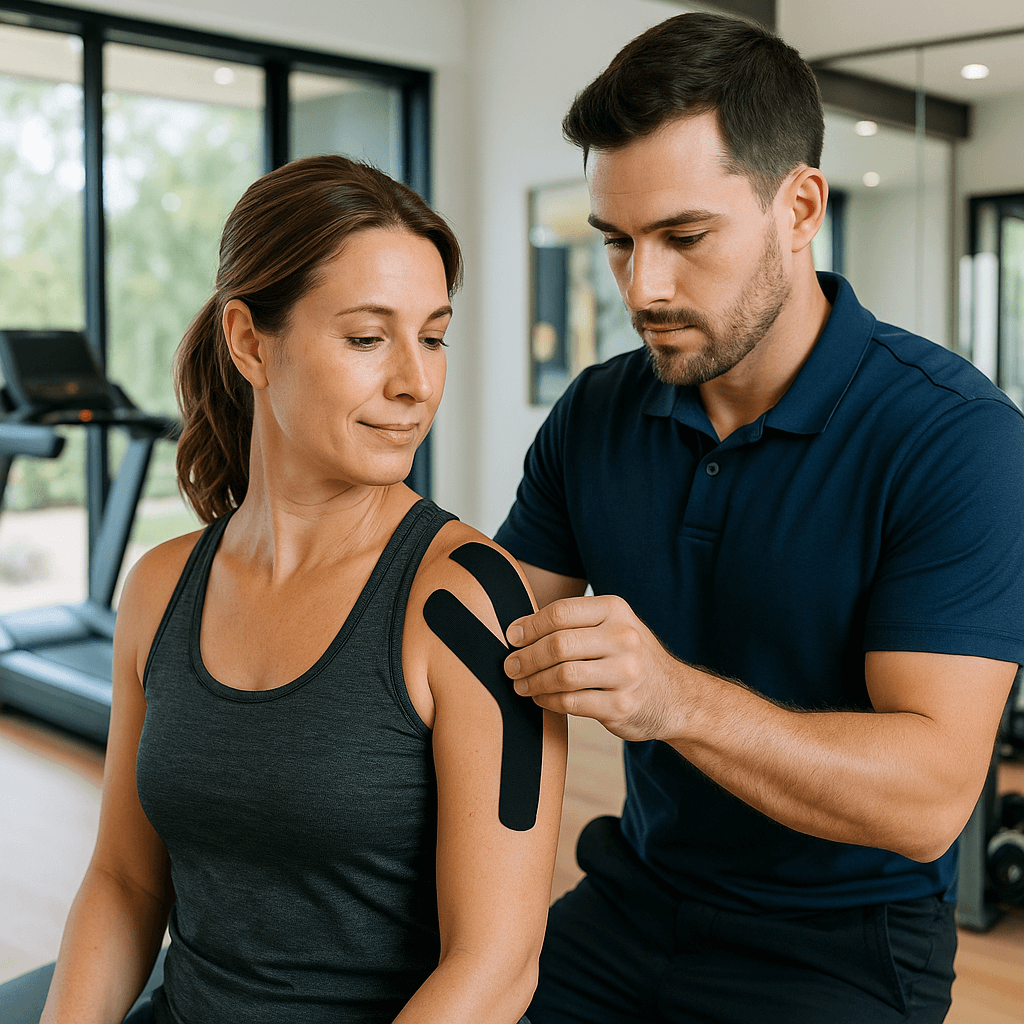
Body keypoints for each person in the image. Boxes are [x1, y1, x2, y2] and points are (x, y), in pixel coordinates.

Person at [495, 12, 1024, 1024]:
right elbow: (488, 641)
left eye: (684, 237)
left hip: (841, 948)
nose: (643, 287)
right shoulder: (597, 411)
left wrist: (675, 700)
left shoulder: (956, 437)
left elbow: (929, 802)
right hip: (631, 898)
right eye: (618, 243)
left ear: (800, 206)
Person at [40, 155, 566, 1024]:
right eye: (367, 339)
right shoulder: (161, 588)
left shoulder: (469, 601)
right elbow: (125, 881)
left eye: (433, 337)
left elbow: (496, 966)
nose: (416, 383)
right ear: (251, 342)